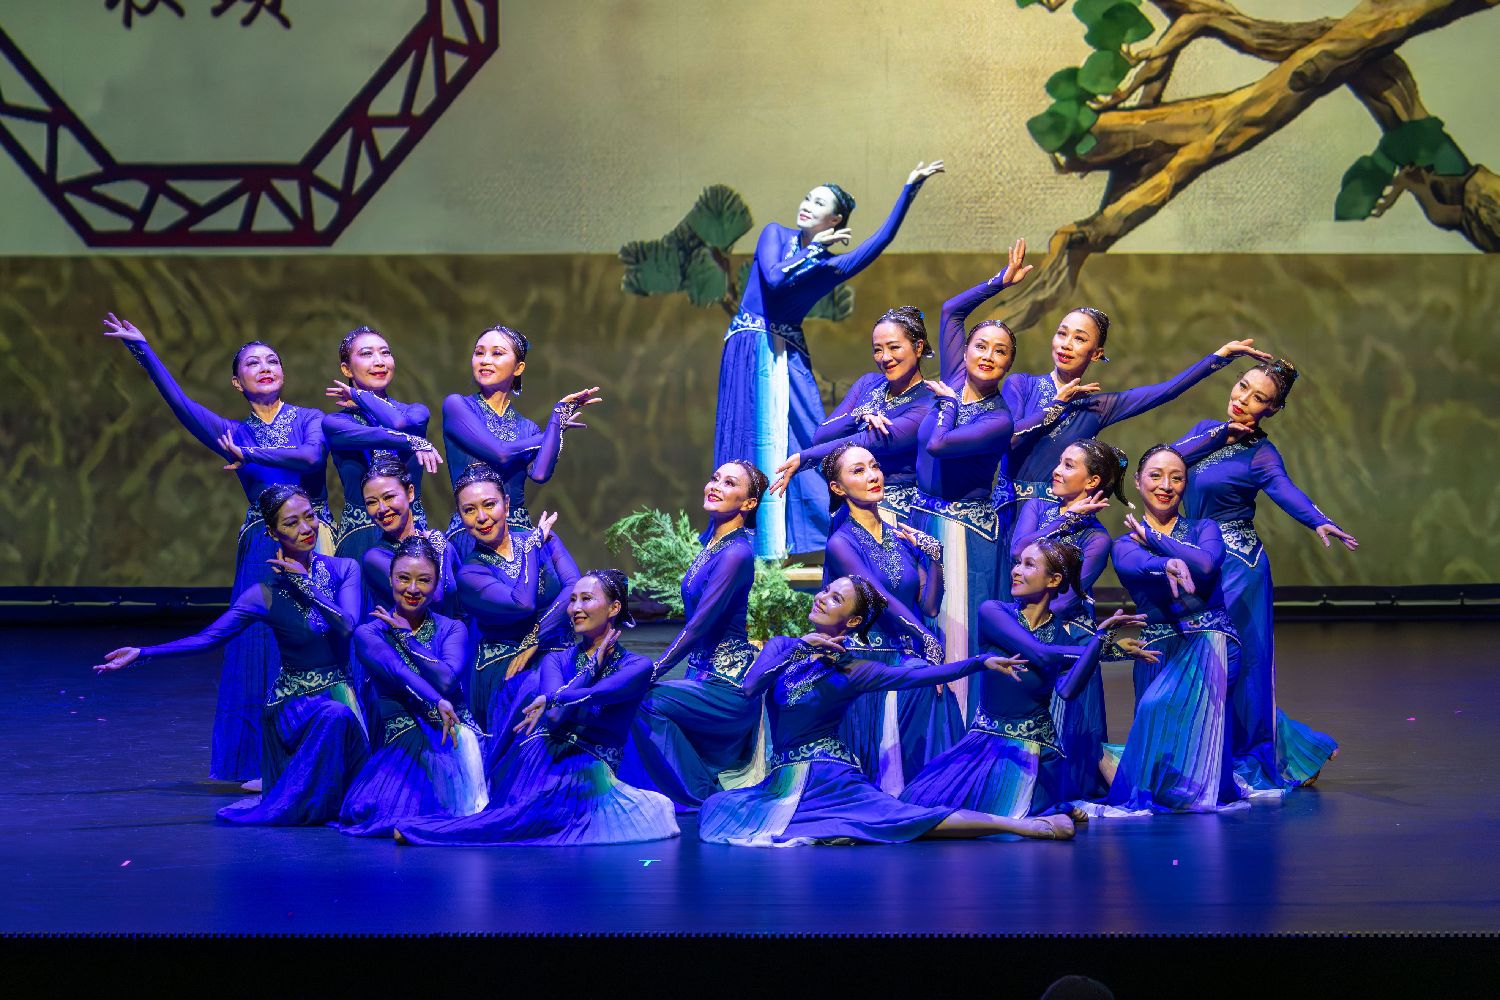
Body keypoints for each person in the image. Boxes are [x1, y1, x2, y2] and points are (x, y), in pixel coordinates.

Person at [103, 313, 330, 785]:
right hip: (264, 544)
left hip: (314, 542)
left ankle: (320, 752)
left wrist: (251, 456)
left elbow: (311, 457)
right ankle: (264, 762)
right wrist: (144, 351)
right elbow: (181, 405)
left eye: (272, 360)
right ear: (237, 382)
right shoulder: (232, 432)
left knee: (315, 641)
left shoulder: (310, 419)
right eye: (253, 363)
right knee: (258, 645)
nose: (265, 367)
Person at [696, 575, 1074, 846]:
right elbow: (750, 688)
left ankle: (1023, 826)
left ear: (853, 621)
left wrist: (979, 662)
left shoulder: (853, 670)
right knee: (716, 807)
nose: (822, 598)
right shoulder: (782, 646)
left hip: (828, 777)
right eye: (826, 591)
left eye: (835, 599)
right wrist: (801, 647)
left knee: (904, 820)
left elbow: (920, 676)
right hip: (782, 780)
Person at [95, 485, 368, 825]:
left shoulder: (344, 569)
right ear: (273, 533)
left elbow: (348, 626)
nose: (305, 528)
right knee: (334, 716)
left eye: (309, 517)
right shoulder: (264, 595)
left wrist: (307, 585)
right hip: (295, 706)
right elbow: (208, 638)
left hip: (340, 693)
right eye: (291, 523)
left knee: (344, 729)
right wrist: (143, 652)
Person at [717, 162, 945, 559]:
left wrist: (909, 189)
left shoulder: (828, 267)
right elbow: (774, 279)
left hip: (789, 350)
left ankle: (817, 532)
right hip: (750, 343)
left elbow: (879, 242)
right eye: (808, 198)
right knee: (750, 434)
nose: (807, 205)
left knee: (810, 431)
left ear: (835, 220)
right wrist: (815, 249)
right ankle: (740, 537)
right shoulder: (776, 234)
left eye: (819, 203)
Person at [1172, 359, 1356, 789]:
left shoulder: (1261, 454)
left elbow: (1285, 489)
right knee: (1200, 657)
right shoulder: (1205, 430)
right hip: (1195, 556)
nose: (1243, 400)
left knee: (1237, 662)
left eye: (1259, 398)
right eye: (1242, 387)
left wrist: (1318, 520)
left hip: (1237, 565)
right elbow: (1168, 462)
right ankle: (1285, 745)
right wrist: (1219, 433)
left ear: (1271, 410)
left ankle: (1251, 751)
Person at [395, 570, 680, 846]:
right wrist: (590, 668)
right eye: (572, 600)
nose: (575, 608)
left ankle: (425, 830)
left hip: (590, 771)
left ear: (614, 608)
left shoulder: (636, 666)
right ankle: (424, 831)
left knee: (533, 821)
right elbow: (555, 716)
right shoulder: (557, 660)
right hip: (543, 760)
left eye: (586, 599)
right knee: (513, 821)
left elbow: (597, 695)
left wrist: (561, 694)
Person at [998, 312, 1271, 568]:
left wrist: (1220, 357)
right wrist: (1056, 406)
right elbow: (1007, 441)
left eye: (1079, 338)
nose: (1066, 344)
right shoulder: (1021, 385)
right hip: (1008, 511)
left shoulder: (1096, 408)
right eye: (1062, 333)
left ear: (1096, 353)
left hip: (1060, 516)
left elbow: (1166, 391)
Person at [900, 540, 1147, 817]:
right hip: (989, 746)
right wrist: (1102, 648)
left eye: (1029, 565)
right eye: (1018, 563)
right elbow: (1040, 653)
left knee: (1027, 813)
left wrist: (1100, 641)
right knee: (920, 804)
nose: (1016, 571)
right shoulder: (994, 612)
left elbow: (1067, 691)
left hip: (1039, 755)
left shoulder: (1060, 637)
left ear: (1053, 580)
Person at [1086, 445, 1246, 815]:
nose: (1166, 485)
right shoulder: (1123, 545)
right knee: (1160, 746)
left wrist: (1156, 539)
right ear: (1138, 481)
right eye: (1156, 476)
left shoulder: (1204, 528)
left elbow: (1206, 565)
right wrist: (1168, 563)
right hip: (1156, 649)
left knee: (1163, 713)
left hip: (1211, 641)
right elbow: (1136, 565)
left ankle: (1196, 783)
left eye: (1177, 478)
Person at [911, 241, 1033, 694]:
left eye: (999, 352)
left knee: (958, 631)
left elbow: (939, 445)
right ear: (965, 353)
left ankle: (964, 723)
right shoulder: (956, 376)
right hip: (922, 519)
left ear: (1008, 365)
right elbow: (951, 311)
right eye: (981, 346)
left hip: (966, 537)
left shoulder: (998, 419)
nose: (987, 355)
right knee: (923, 628)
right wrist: (999, 282)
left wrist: (946, 404)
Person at [620, 461, 769, 812]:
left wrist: (654, 669)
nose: (715, 485)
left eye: (729, 483)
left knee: (643, 700)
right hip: (701, 676)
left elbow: (699, 625)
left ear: (749, 503)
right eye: (715, 478)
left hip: (727, 686)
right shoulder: (714, 544)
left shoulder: (736, 553)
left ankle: (699, 795)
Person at [816, 445, 961, 795]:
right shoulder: (841, 542)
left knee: (936, 696)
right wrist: (927, 639)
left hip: (905, 654)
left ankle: (930, 799)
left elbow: (928, 607)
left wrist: (935, 558)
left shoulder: (900, 537)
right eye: (858, 471)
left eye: (874, 466)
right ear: (837, 487)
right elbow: (877, 596)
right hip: (866, 659)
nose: (872, 476)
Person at [339, 535, 487, 837]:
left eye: (424, 580)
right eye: (403, 578)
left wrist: (408, 638)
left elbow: (447, 678)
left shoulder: (453, 628)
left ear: (437, 584)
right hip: (403, 741)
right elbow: (397, 671)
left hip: (454, 739)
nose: (413, 589)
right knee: (376, 810)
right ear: (390, 580)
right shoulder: (370, 633)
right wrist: (436, 700)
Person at [1009, 438, 1127, 796]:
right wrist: (1066, 519)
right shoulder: (1037, 506)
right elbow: (1018, 549)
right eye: (1059, 462)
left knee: (1067, 735)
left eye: (1068, 465)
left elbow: (1063, 602)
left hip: (1068, 636)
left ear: (1092, 482)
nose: (1056, 471)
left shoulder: (1096, 539)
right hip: (1024, 627)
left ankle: (1063, 792)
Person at [451, 464, 578, 763]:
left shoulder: (542, 538)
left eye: (489, 504)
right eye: (469, 510)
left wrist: (537, 637)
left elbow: (575, 588)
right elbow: (523, 603)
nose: (481, 517)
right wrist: (532, 547)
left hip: (555, 649)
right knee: (538, 691)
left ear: (506, 505)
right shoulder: (471, 573)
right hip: (506, 664)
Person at [440, 324, 600, 558]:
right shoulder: (458, 406)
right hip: (473, 532)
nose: (485, 360)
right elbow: (501, 453)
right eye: (479, 353)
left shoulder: (527, 427)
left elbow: (540, 474)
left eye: (497, 353)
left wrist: (555, 426)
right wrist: (553, 429)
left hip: (518, 533)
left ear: (518, 367)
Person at [769, 305, 936, 525]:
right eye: (878, 350)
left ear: (918, 347)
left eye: (894, 347)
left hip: (895, 515)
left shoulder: (928, 402)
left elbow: (868, 441)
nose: (885, 357)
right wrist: (859, 415)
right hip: (851, 507)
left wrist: (805, 457)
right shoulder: (868, 383)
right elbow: (821, 435)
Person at [321, 325, 442, 565]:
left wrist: (359, 396)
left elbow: (398, 423)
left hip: (413, 536)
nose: (379, 361)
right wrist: (414, 441)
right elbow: (389, 433)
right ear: (346, 369)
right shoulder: (336, 423)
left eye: (385, 353)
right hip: (362, 538)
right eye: (367, 354)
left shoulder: (415, 412)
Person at [357, 459, 459, 616]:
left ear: (410, 493)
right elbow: (433, 598)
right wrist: (438, 548)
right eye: (371, 502)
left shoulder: (443, 545)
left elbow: (462, 605)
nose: (382, 509)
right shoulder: (375, 558)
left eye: (389, 497)